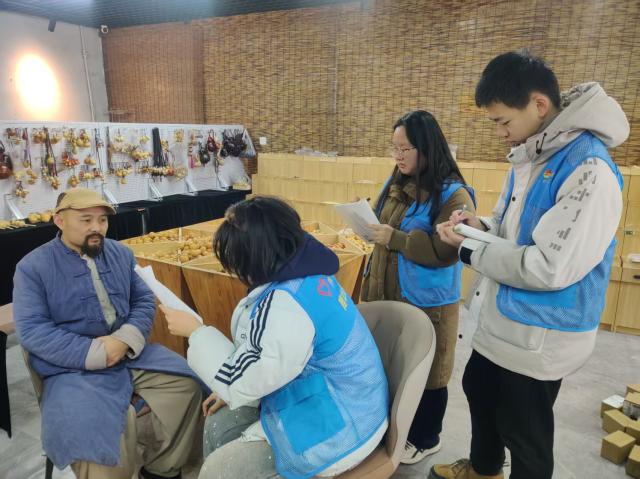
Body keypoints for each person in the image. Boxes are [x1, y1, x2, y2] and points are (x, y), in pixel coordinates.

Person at [433, 50, 629, 479]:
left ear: (539, 104)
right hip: (504, 319)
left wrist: (469, 250)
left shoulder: (589, 169)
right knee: (479, 388)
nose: (500, 132)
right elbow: (510, 227)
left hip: (541, 332)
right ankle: (484, 470)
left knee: (525, 432)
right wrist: (477, 226)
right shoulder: (533, 153)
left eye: (503, 121)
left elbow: (549, 267)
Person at [161, 196, 389, 479]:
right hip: (346, 397)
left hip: (343, 425)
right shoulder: (307, 273)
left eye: (235, 261)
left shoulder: (287, 304)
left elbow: (250, 376)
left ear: (255, 257)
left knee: (218, 470)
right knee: (220, 422)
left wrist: (196, 332)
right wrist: (229, 387)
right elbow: (267, 358)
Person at [13, 188, 203, 479]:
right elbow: (33, 330)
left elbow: (143, 300)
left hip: (131, 355)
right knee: (94, 426)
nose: (97, 228)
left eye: (102, 220)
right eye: (86, 220)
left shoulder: (120, 253)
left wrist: (124, 340)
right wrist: (97, 353)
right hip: (71, 368)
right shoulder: (32, 268)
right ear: (60, 221)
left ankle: (162, 468)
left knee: (187, 384)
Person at [360, 110, 475, 464]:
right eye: (394, 148)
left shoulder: (453, 195)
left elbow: (445, 252)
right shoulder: (396, 180)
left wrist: (394, 238)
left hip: (427, 299)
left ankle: (427, 438)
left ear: (426, 148)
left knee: (430, 372)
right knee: (396, 365)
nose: (397, 155)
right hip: (387, 289)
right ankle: (398, 428)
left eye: (405, 148)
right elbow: (381, 219)